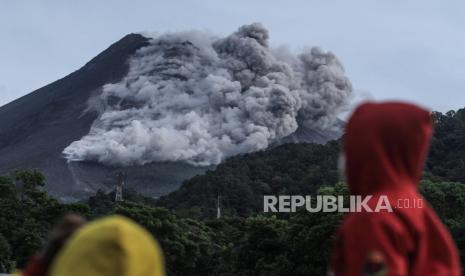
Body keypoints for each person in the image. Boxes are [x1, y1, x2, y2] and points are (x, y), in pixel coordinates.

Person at [331, 102, 461, 275]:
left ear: (368, 151)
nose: (345, 157)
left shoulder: (375, 217)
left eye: (349, 147)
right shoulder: (412, 206)